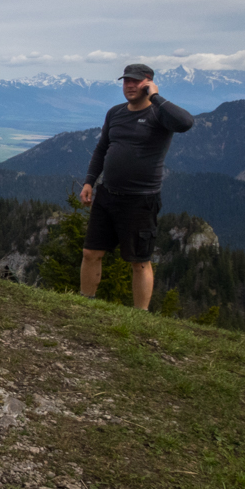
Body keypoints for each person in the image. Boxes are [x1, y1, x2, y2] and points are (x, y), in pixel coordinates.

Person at [79, 64, 193, 309]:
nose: (129, 85)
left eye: (136, 81)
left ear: (148, 83)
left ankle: (140, 316)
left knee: (139, 261)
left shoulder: (160, 114)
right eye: (126, 81)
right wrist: (90, 181)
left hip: (140, 200)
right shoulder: (115, 113)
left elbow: (185, 123)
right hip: (106, 194)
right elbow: (102, 149)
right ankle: (84, 304)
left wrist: (155, 96)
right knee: (91, 253)